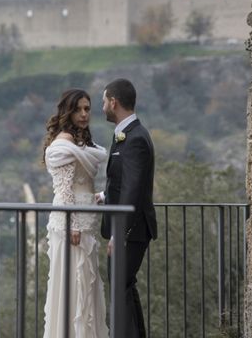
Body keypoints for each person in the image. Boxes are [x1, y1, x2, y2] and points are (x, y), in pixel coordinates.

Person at [42, 88, 109, 338]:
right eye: (78, 109)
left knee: (87, 284)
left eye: (87, 109)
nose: (83, 114)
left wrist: (94, 199)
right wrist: (73, 225)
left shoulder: (79, 142)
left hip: (85, 221)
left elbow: (82, 186)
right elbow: (64, 190)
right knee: (74, 284)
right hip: (72, 224)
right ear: (67, 112)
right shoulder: (64, 144)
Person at [96, 78, 157, 338]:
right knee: (124, 286)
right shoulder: (129, 135)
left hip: (130, 231)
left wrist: (119, 233)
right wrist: (105, 195)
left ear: (114, 102)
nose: (102, 108)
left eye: (102, 102)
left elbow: (133, 189)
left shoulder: (134, 139)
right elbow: (124, 181)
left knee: (120, 288)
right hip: (128, 229)